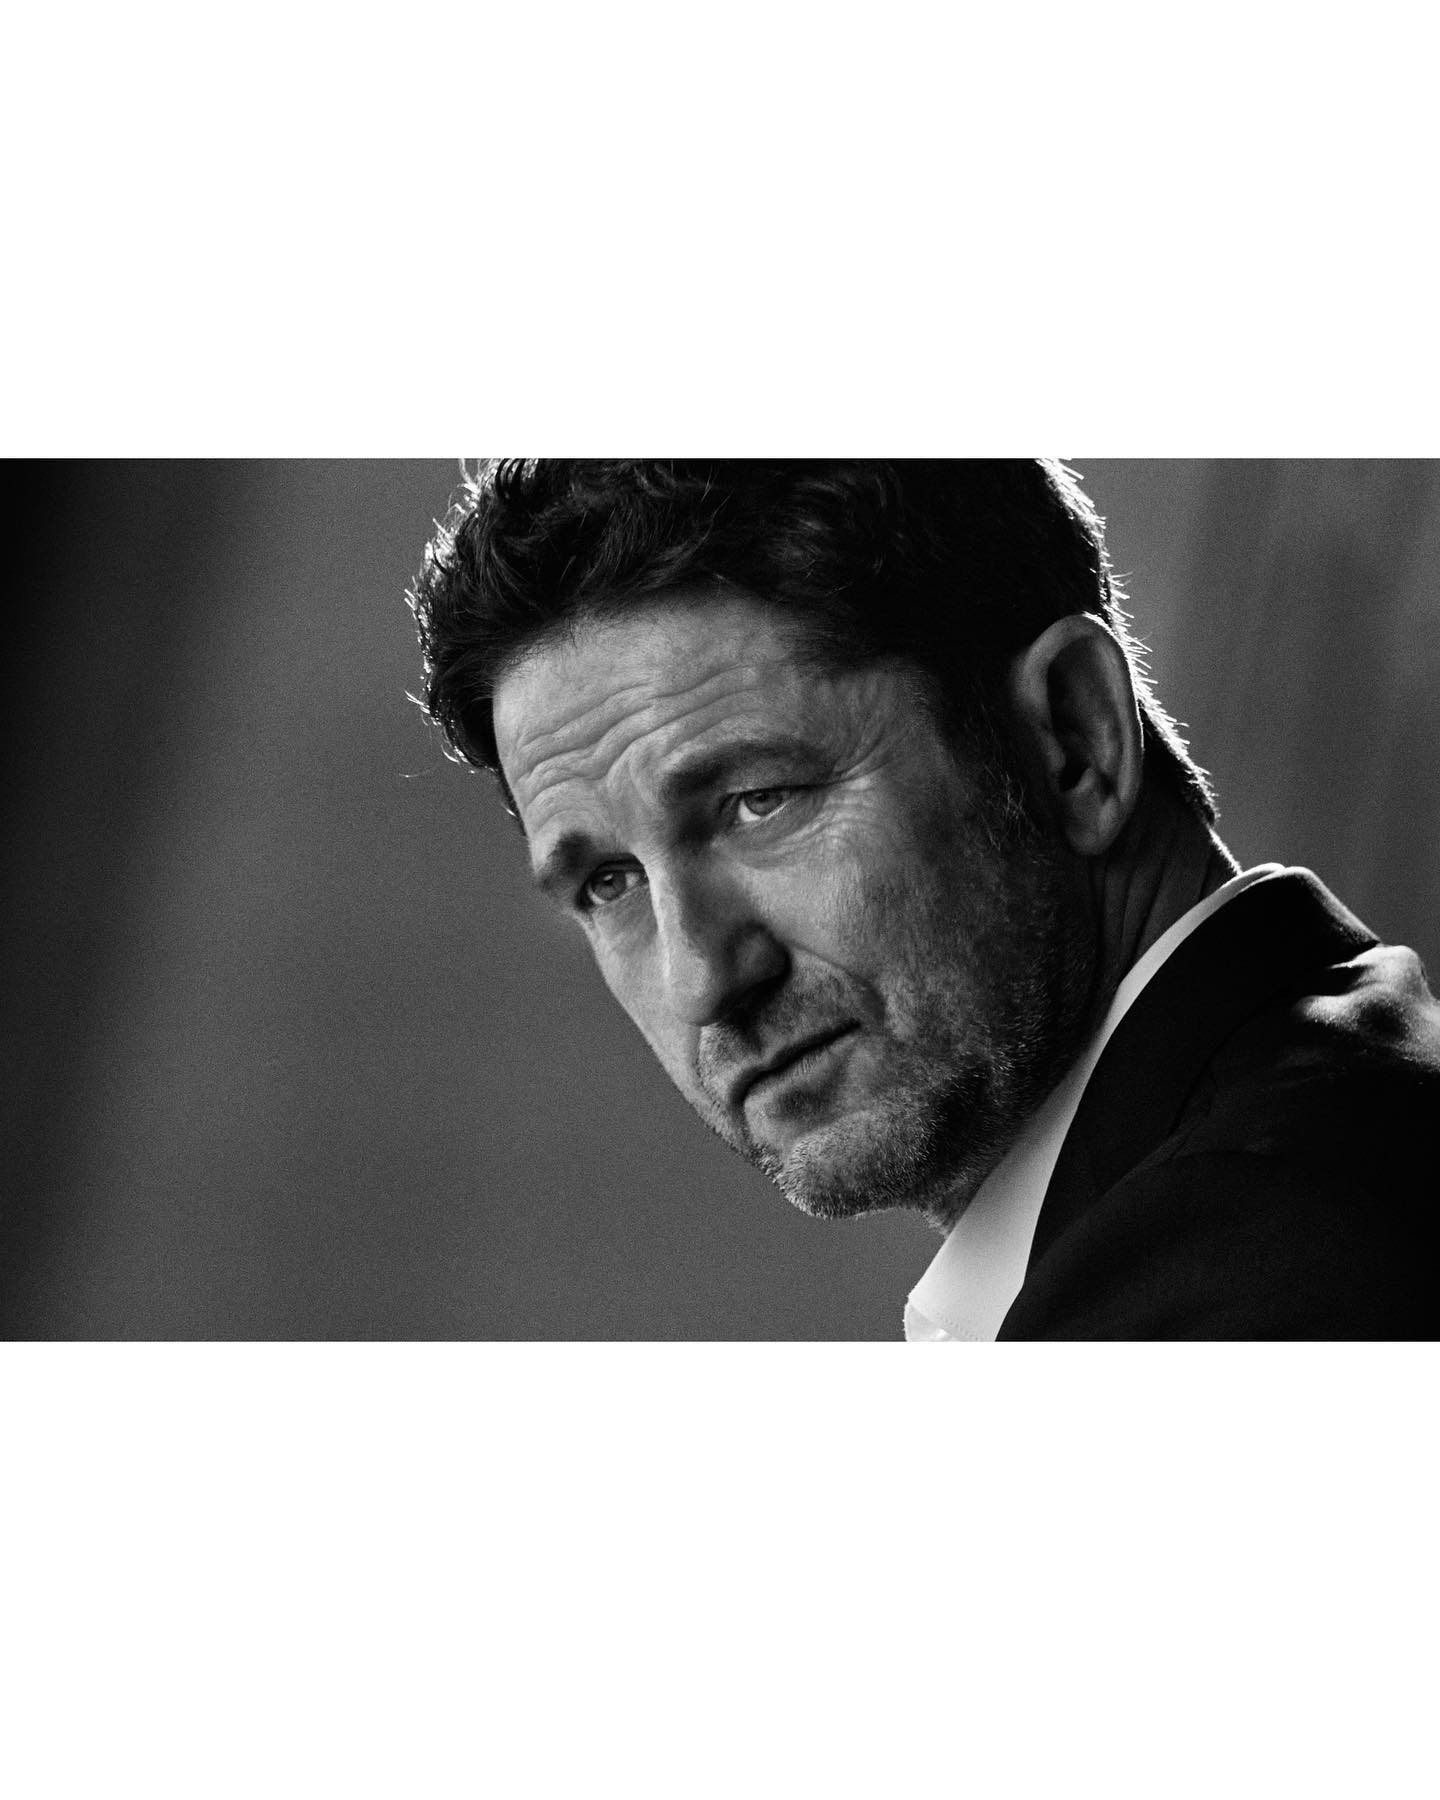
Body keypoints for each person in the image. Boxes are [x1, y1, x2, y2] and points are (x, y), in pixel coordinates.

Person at [409, 460, 1440, 1340]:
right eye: (610, 882)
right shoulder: (1309, 1134)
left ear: (1074, 739)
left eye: (759, 801)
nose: (701, 979)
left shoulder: (1262, 1273)